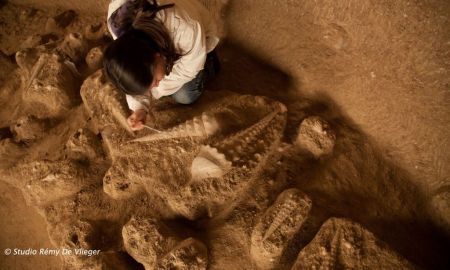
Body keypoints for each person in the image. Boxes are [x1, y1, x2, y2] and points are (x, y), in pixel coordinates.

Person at [103, 0, 220, 131]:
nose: (157, 84)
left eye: (156, 81)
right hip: (169, 48)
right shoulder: (119, 25)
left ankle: (210, 62)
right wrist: (140, 107)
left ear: (157, 56)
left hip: (198, 36)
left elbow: (186, 72)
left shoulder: (186, 32)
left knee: (184, 95)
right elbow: (132, 66)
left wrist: (150, 92)